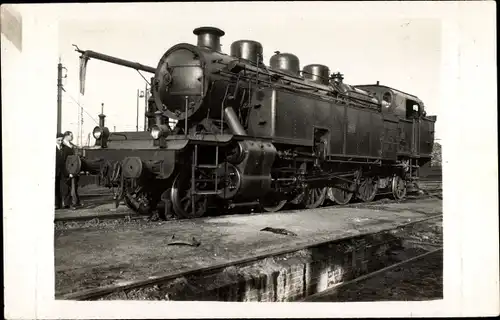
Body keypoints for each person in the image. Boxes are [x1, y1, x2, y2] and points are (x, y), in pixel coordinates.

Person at [62, 131, 82, 209]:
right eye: (71, 135)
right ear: (66, 136)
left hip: (74, 168)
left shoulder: (71, 145)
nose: (72, 137)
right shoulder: (63, 146)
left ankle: (75, 201)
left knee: (74, 186)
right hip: (68, 169)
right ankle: (71, 203)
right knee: (69, 187)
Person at [55, 133, 65, 209]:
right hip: (55, 171)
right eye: (59, 140)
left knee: (62, 188)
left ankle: (61, 204)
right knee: (55, 188)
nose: (60, 142)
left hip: (63, 172)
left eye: (62, 140)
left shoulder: (64, 148)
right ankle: (56, 204)